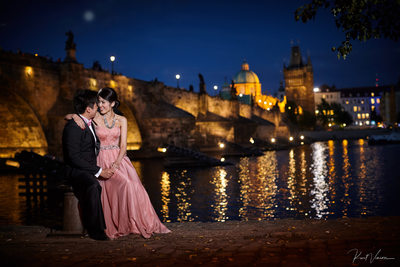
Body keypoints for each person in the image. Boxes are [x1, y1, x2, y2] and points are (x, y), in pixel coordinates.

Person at [70, 87, 170, 239]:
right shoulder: (94, 117)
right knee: (116, 188)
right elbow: (77, 117)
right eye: (99, 102)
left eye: (103, 102)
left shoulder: (122, 120)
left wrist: (116, 164)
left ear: (112, 103)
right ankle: (115, 224)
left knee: (133, 186)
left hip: (119, 158)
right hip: (100, 158)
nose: (100, 105)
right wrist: (74, 116)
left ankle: (133, 223)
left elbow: (123, 146)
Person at [62, 89, 114, 241]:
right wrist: (98, 171)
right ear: (89, 109)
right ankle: (96, 231)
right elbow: (73, 158)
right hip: (75, 170)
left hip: (88, 166)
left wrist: (74, 115)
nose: (98, 107)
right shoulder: (73, 127)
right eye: (96, 105)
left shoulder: (87, 120)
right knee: (93, 185)